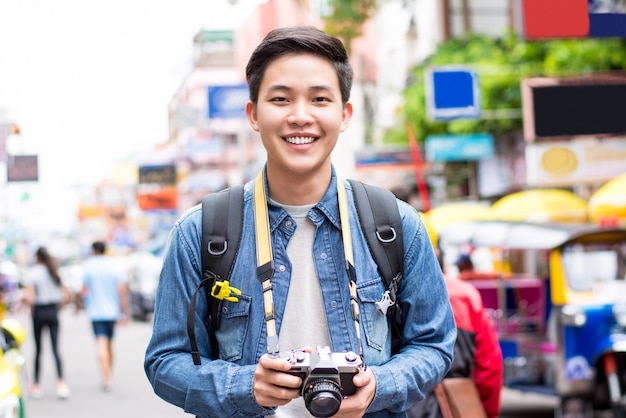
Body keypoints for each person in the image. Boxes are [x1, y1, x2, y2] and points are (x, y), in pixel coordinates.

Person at [144, 26, 456, 418]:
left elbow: (434, 344)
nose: (300, 116)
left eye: (320, 99)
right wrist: (246, 386)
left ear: (344, 115)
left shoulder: (396, 225)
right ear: (254, 114)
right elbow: (165, 361)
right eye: (280, 99)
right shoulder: (201, 232)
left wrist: (379, 386)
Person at [407, 220, 503, 418]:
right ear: (437, 253)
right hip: (458, 404)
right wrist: (482, 409)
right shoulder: (464, 296)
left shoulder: (382, 298)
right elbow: (489, 367)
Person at [22, 246, 72, 399]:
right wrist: (58, 307)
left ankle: (36, 385)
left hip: (39, 312)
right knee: (55, 349)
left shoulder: (33, 272)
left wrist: (24, 300)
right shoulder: (53, 271)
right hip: (52, 311)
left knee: (38, 350)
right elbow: (67, 295)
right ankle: (61, 383)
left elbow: (30, 298)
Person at [80, 241, 129, 391]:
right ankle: (109, 374)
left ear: (94, 250)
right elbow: (122, 291)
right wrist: (125, 311)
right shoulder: (114, 266)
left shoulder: (88, 266)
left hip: (95, 312)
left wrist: (80, 304)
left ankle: (106, 377)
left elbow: (83, 290)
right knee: (109, 343)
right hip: (112, 312)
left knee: (101, 342)